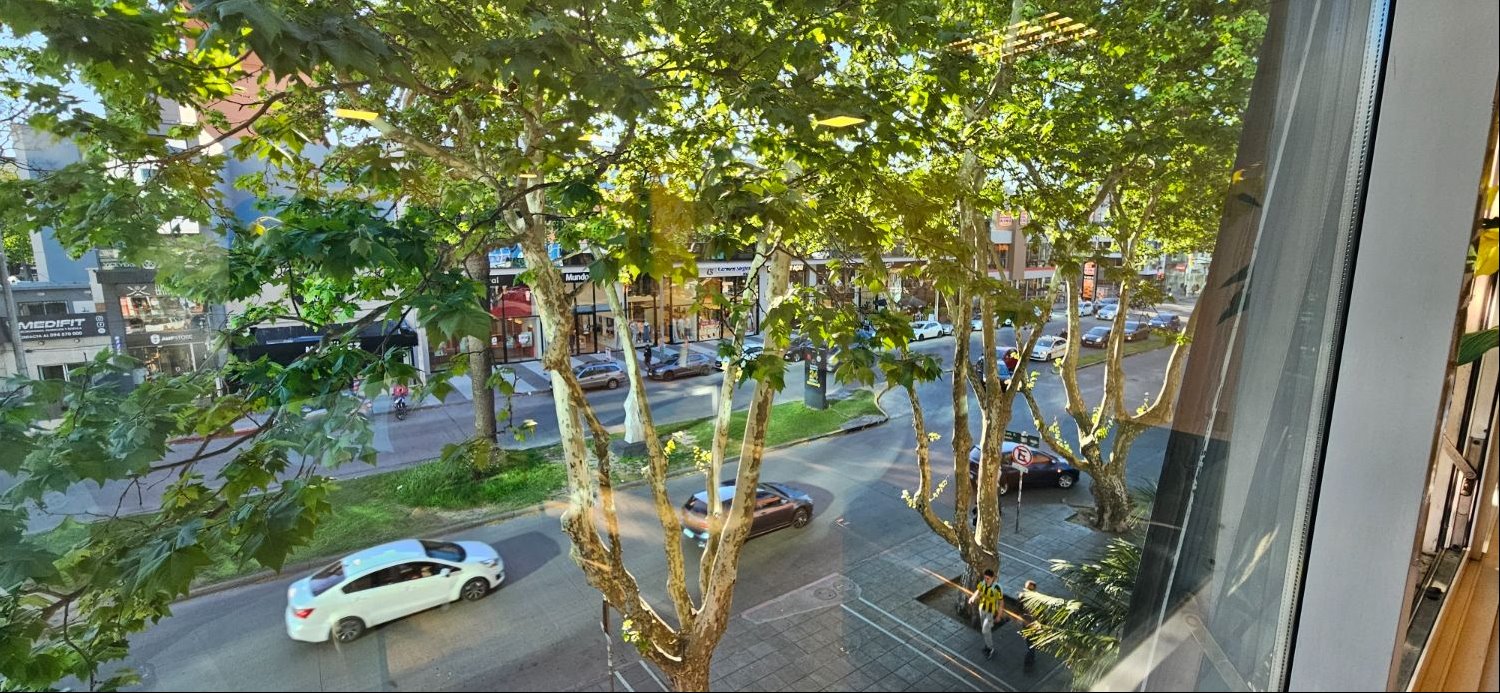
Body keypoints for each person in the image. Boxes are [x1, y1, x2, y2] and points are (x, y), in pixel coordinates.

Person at [968, 569, 1004, 660]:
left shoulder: (997, 588)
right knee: (985, 630)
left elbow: (1001, 602)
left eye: (988, 578)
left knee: (985, 630)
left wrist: (999, 615)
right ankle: (987, 644)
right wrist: (973, 597)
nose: (986, 580)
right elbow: (978, 591)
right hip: (982, 609)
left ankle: (990, 648)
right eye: (985, 578)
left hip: (990, 612)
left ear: (993, 578)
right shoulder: (982, 583)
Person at [1020, 579, 1039, 672]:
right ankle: (1030, 659)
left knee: (1031, 645)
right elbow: (1019, 609)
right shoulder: (1022, 597)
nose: (1027, 591)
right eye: (1026, 589)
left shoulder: (1037, 601)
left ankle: (1029, 662)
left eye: (1030, 589)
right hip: (1026, 624)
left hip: (1034, 626)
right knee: (1030, 644)